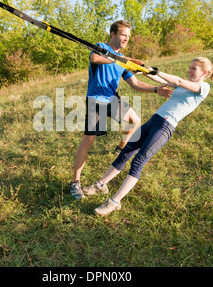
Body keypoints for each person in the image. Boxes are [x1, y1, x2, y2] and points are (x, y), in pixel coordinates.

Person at [82, 57, 213, 216]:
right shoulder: (183, 84)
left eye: (193, 68)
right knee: (125, 151)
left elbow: (179, 81)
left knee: (138, 161)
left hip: (165, 127)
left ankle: (114, 202)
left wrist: (156, 71)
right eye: (190, 67)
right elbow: (159, 78)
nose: (189, 70)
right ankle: (101, 184)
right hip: (153, 120)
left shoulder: (203, 87)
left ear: (205, 73)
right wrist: (142, 69)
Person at [69, 20, 172, 200]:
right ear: (113, 34)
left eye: (128, 36)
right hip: (96, 99)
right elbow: (95, 58)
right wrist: (123, 60)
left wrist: (156, 89)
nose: (126, 39)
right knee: (88, 140)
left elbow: (135, 83)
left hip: (112, 98)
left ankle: (120, 148)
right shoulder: (101, 47)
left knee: (134, 120)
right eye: (123, 35)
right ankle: (75, 182)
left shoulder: (123, 60)